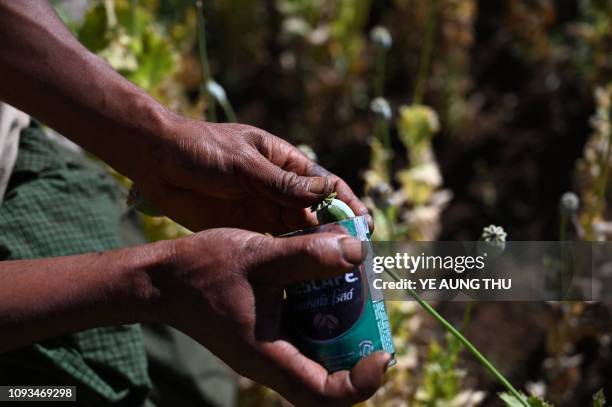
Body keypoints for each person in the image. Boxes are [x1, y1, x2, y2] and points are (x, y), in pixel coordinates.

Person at [0, 1, 391, 406]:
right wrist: (155, 285)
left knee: (200, 383)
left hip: (15, 158)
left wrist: (156, 145)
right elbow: (161, 284)